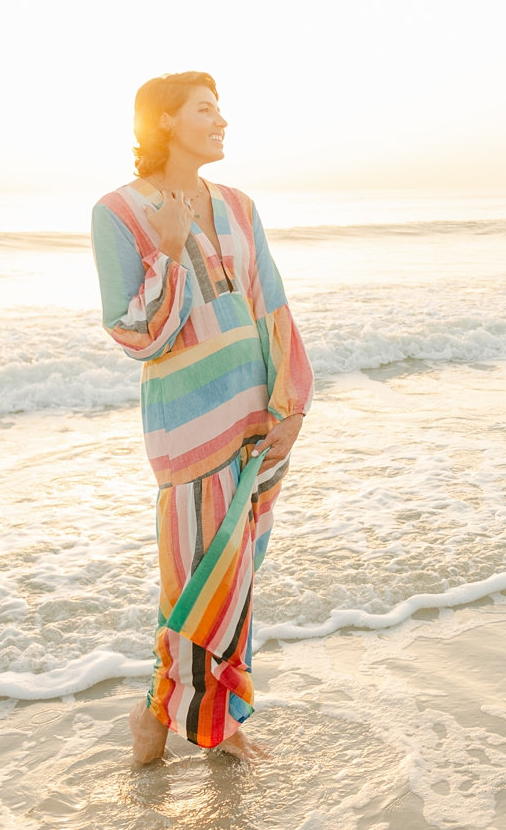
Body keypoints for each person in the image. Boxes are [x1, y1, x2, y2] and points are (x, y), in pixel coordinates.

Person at [91, 71, 313, 764]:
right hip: (188, 425)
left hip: (255, 412)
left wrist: (293, 402)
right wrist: (166, 245)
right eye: (205, 110)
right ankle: (170, 713)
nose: (222, 121)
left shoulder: (242, 207)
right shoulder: (119, 213)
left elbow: (271, 307)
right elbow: (136, 333)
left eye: (219, 109)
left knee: (237, 573)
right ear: (163, 123)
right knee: (193, 576)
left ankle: (197, 717)